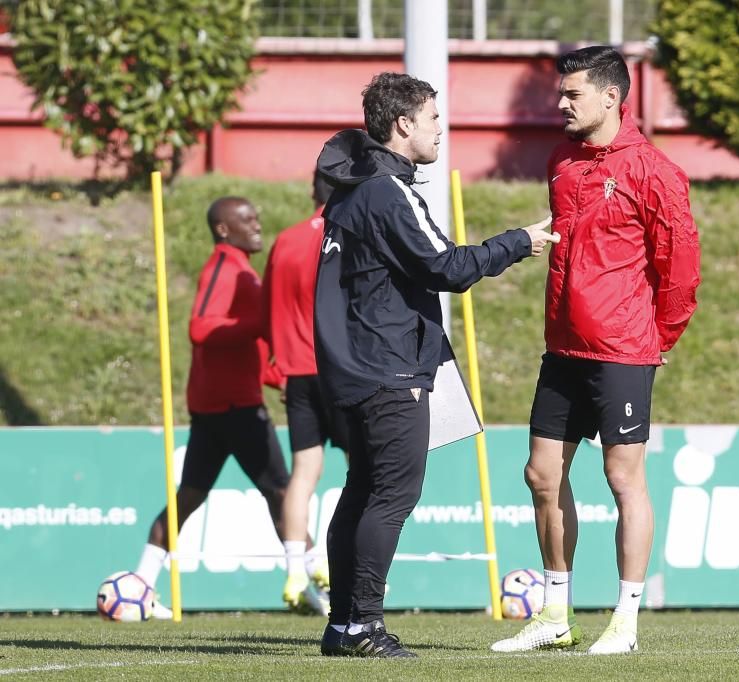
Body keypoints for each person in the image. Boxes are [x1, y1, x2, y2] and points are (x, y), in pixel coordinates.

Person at [313, 72, 559, 658]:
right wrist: (519, 241)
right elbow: (446, 266)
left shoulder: (350, 190)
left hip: (353, 367)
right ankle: (363, 625)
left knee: (362, 492)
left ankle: (344, 625)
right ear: (403, 125)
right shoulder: (384, 191)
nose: (440, 129)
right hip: (387, 368)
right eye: (432, 119)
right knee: (392, 496)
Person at [491, 46, 701, 655]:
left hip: (623, 352)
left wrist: (654, 340)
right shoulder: (561, 162)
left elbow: (680, 270)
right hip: (562, 349)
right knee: (541, 474)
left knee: (621, 475)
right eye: (561, 93)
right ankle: (556, 613)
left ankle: (626, 622)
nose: (560, 104)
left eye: (572, 94)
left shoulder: (654, 170)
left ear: (612, 97)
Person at [135, 197, 291, 619]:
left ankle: (139, 585)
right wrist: (260, 324)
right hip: (233, 408)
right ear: (224, 229)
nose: (257, 226)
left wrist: (280, 377)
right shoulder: (224, 265)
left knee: (190, 498)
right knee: (284, 493)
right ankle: (311, 585)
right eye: (247, 220)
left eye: (258, 217)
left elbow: (245, 350)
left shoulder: (240, 266)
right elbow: (201, 328)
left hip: (220, 404)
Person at [262, 172, 353, 615]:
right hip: (341, 369)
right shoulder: (347, 239)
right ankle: (353, 570)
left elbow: (268, 308)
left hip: (297, 372)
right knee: (364, 473)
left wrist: (276, 364)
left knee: (304, 474)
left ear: (313, 191)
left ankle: (296, 568)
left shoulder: (285, 241)